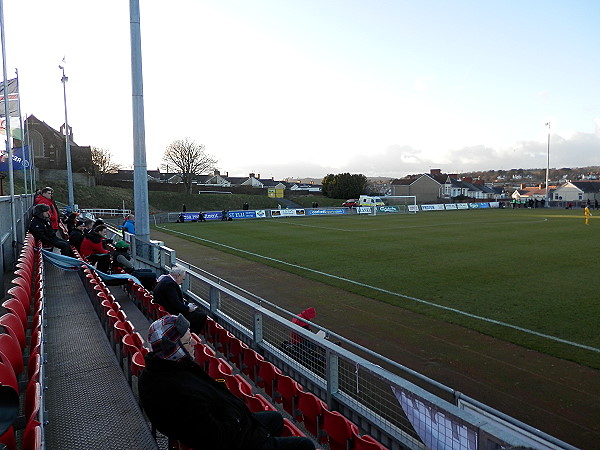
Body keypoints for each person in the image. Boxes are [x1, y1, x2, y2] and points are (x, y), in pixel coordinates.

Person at [139, 314, 315, 450]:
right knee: (305, 445)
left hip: (230, 425)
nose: (193, 342)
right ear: (175, 349)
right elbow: (217, 437)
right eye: (187, 341)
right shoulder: (179, 390)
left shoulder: (159, 371)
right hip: (238, 440)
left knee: (276, 418)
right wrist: (235, 413)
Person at [153, 266, 207, 334]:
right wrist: (188, 308)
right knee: (202, 316)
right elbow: (175, 303)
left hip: (168, 309)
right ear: (178, 276)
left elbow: (173, 300)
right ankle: (190, 336)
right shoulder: (169, 284)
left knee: (197, 310)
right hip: (172, 314)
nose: (182, 281)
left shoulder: (166, 279)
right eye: (183, 278)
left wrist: (188, 306)